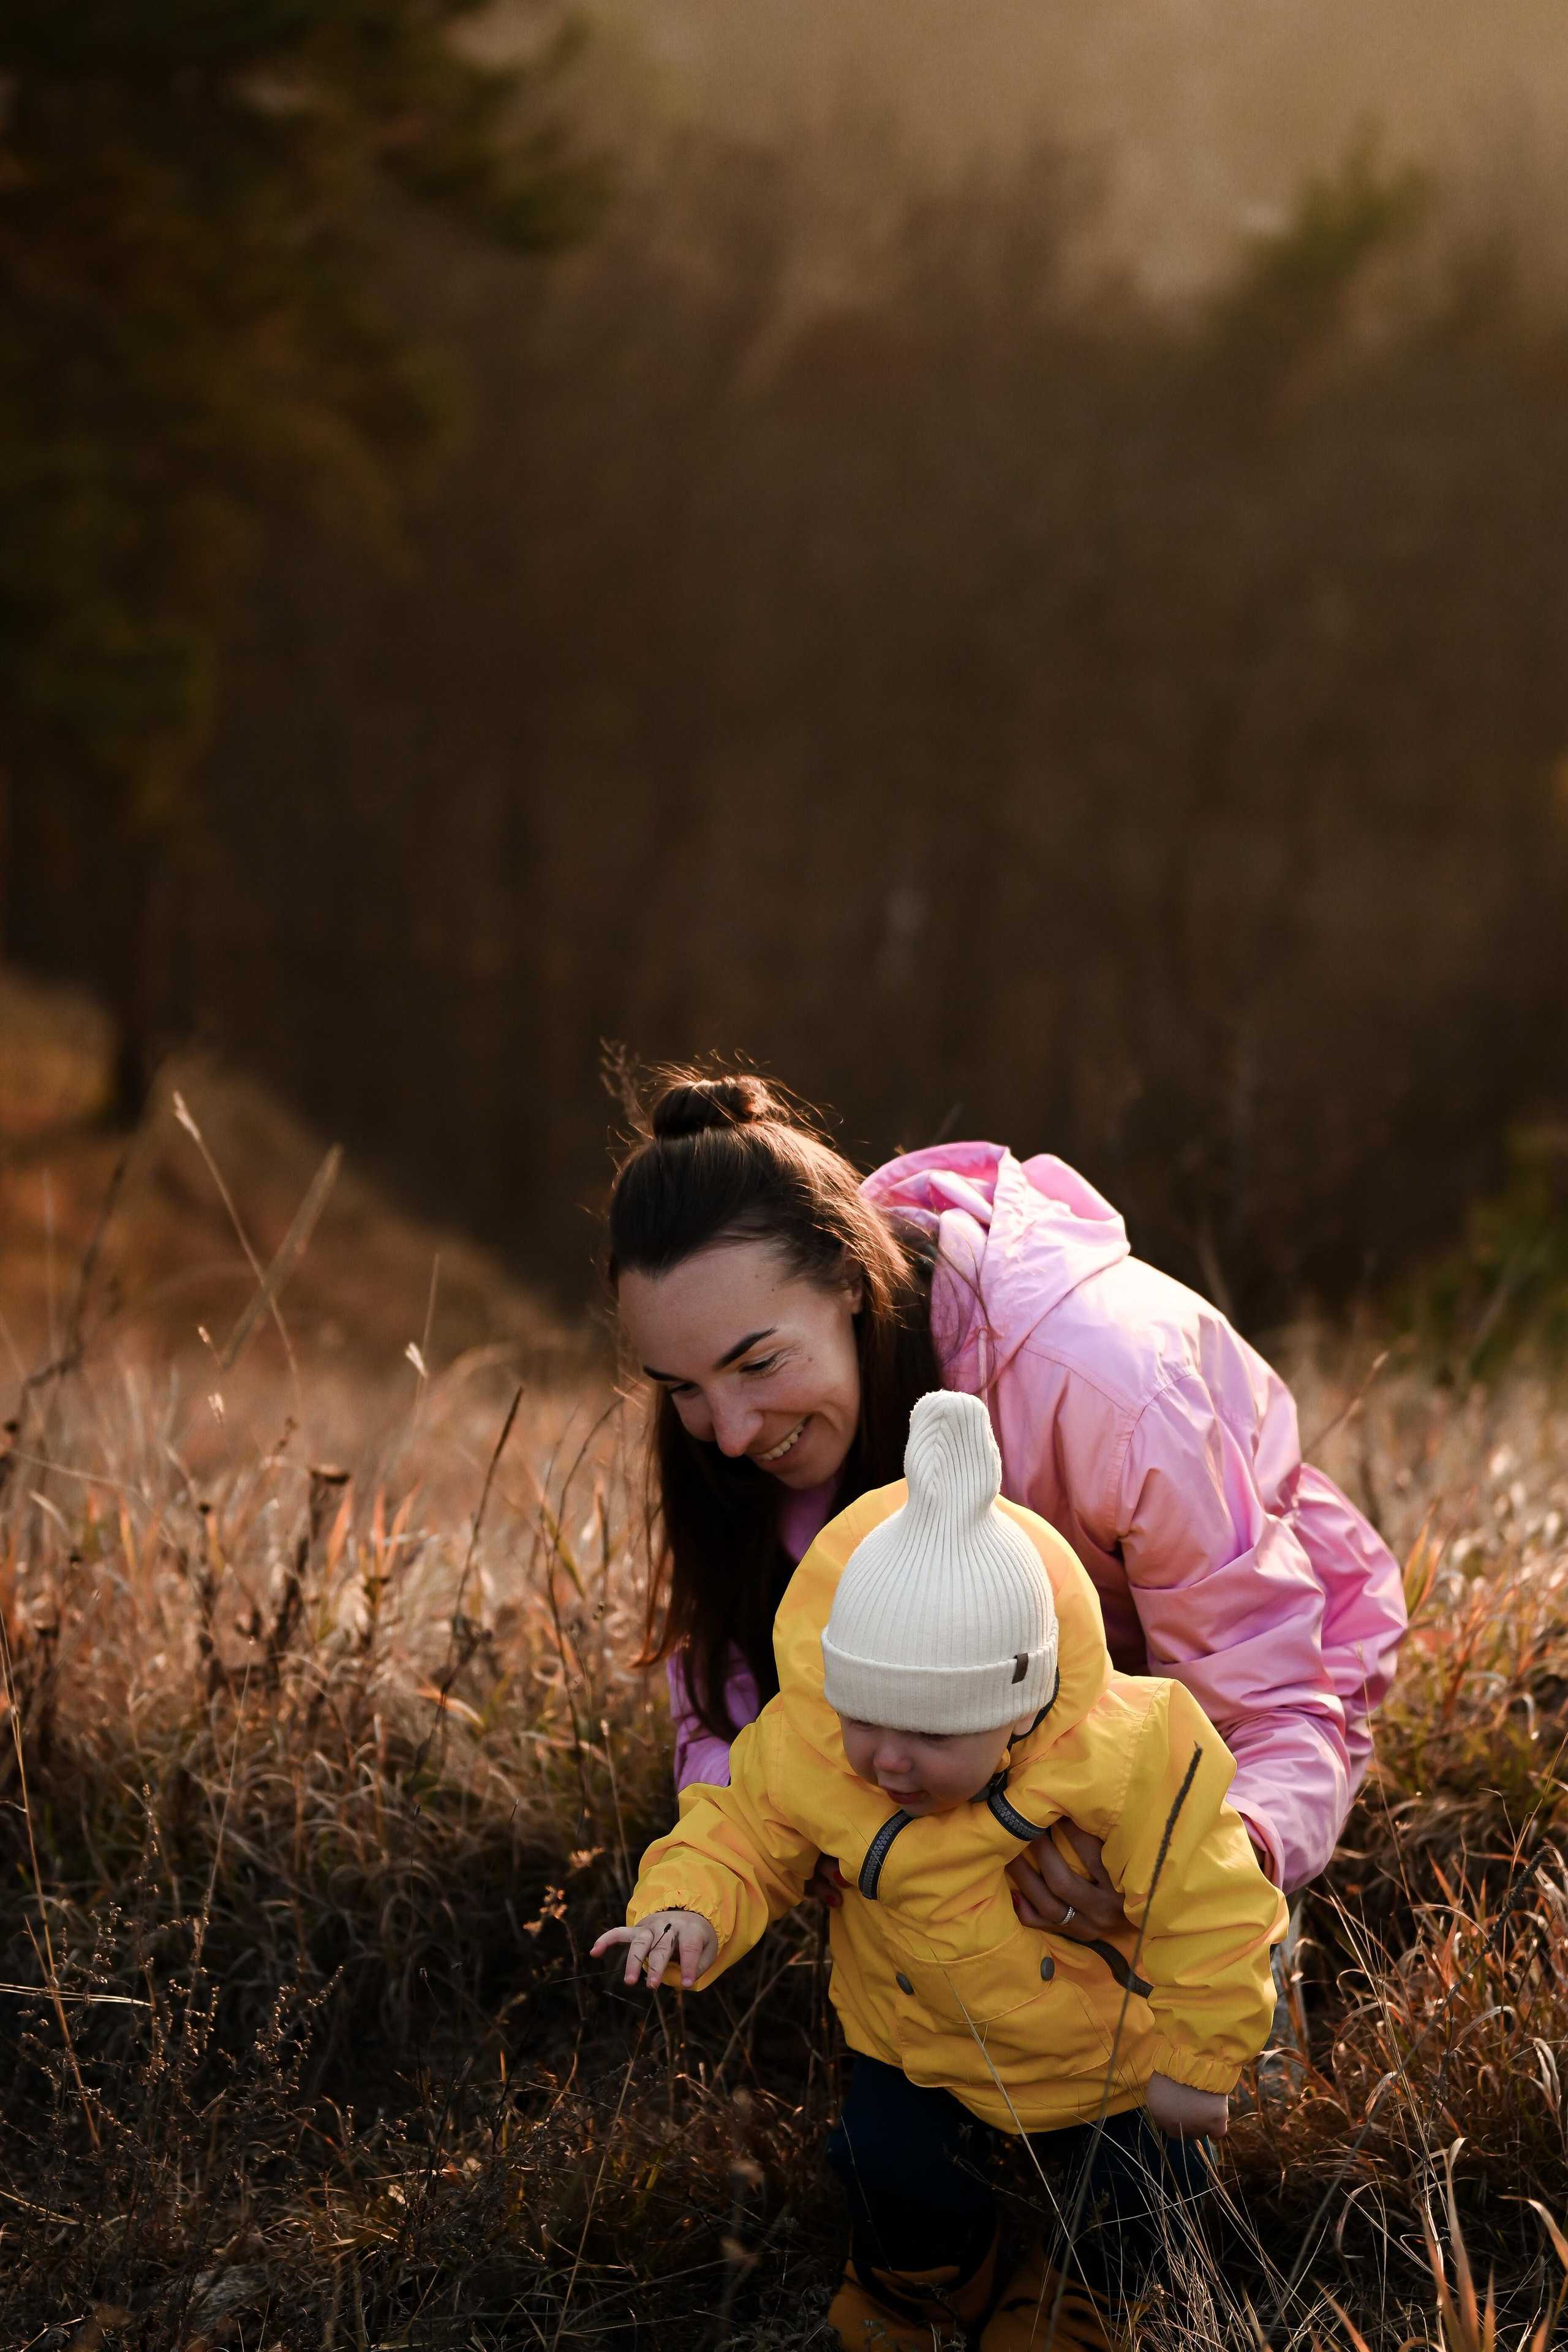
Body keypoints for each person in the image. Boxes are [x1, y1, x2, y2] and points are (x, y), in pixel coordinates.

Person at [608, 1071, 1405, 1926]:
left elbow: (1268, 1705)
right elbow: (729, 1700)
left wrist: (1196, 1865)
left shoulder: (1116, 1393)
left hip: (1224, 1693)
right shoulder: (743, 1418)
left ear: (848, 1276)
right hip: (977, 1741)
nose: (728, 1435)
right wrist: (801, 1836)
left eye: (758, 1364)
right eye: (680, 1387)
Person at [594, 1392, 1285, 2351]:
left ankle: (1097, 2290)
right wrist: (686, 1906)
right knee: (886, 2160)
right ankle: (928, 2274)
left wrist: (1201, 2060)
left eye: (930, 1734)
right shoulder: (814, 1745)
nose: (887, 1762)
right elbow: (738, 1827)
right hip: (912, 2030)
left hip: (1103, 2046)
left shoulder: (1125, 1752)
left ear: (1021, 1706)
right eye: (865, 1717)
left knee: (1140, 2180)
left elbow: (1212, 1900)